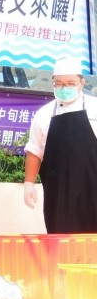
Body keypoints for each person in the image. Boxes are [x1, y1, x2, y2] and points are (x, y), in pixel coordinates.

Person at [24, 57, 97, 233]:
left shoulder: (95, 107)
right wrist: (28, 183)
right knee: (62, 243)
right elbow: (35, 151)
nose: (65, 88)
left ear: (82, 82)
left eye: (70, 83)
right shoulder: (43, 114)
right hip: (59, 197)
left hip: (93, 190)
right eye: (59, 84)